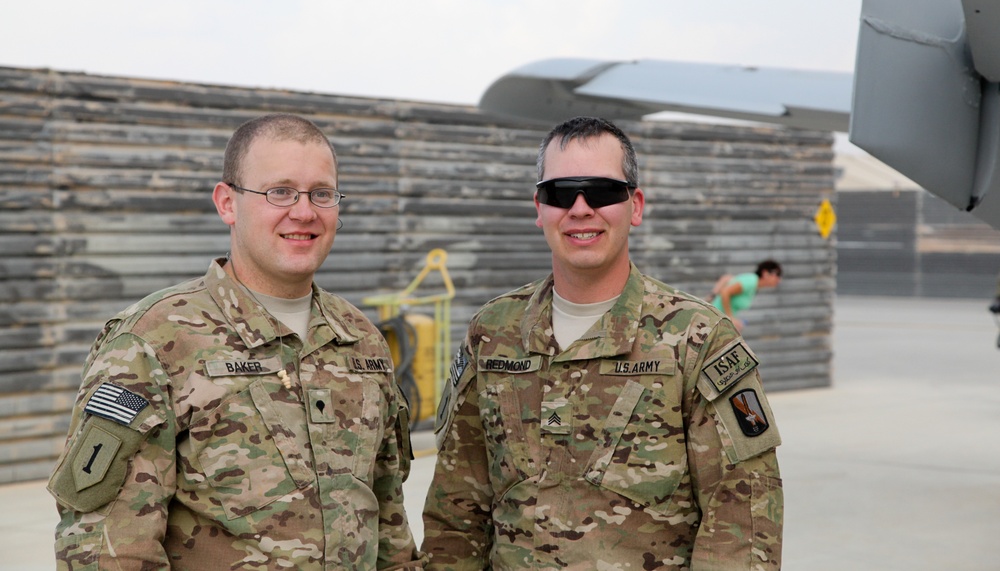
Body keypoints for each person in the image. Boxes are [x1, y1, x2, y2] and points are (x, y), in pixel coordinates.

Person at [48, 113, 426, 570]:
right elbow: (105, 549)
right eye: (279, 191)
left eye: (321, 194)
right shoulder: (153, 341)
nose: (304, 211)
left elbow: (389, 527)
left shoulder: (362, 341)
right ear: (227, 203)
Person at [421, 116, 783, 569]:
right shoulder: (492, 334)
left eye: (602, 191)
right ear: (539, 208)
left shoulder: (698, 338)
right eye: (559, 192)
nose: (580, 208)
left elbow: (742, 519)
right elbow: (456, 508)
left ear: (635, 206)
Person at [709, 260, 783, 330]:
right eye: (777, 274)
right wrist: (730, 317)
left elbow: (727, 280)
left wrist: (735, 321)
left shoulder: (754, 285)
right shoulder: (751, 281)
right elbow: (725, 291)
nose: (779, 280)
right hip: (713, 320)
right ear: (765, 273)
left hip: (718, 321)